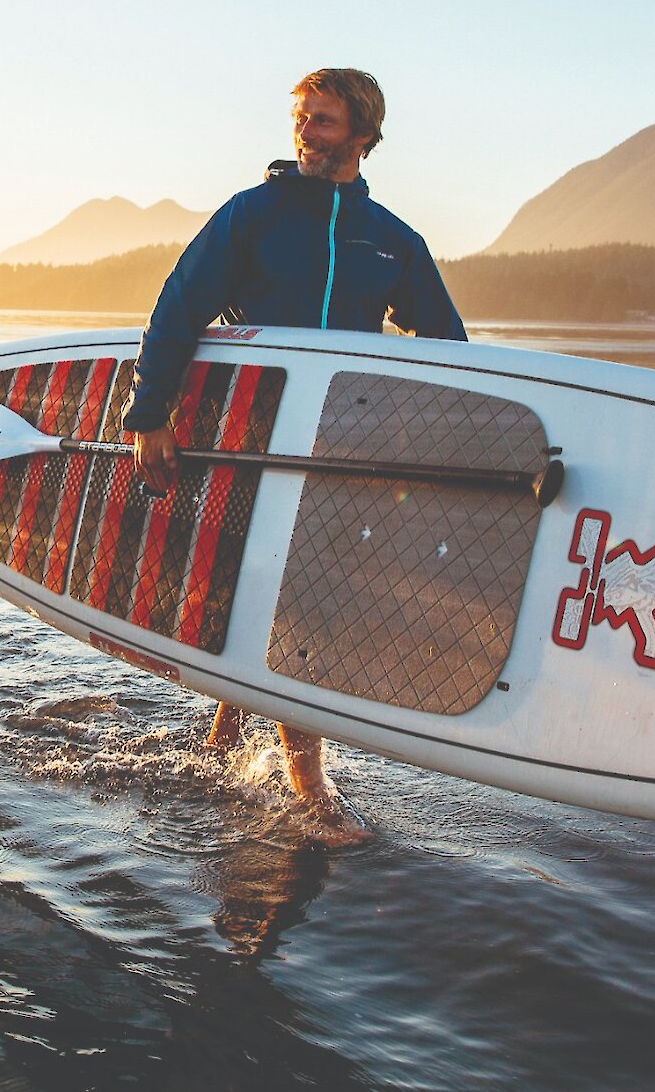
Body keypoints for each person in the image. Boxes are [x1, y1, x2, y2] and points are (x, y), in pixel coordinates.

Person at [123, 67, 466, 842]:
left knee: (283, 593)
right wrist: (149, 413)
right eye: (303, 119)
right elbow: (179, 307)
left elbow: (447, 346)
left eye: (326, 122)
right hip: (253, 443)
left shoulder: (391, 241)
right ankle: (307, 785)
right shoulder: (254, 216)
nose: (308, 134)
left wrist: (447, 435)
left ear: (365, 136)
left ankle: (224, 731)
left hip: (343, 444)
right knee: (293, 599)